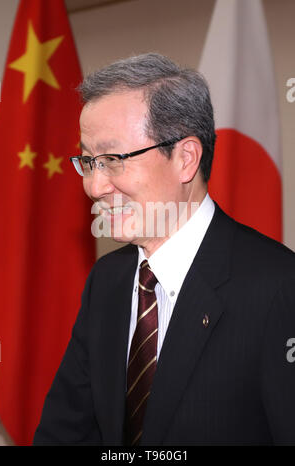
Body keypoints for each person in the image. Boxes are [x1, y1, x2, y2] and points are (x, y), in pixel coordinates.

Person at [34, 53, 295, 446]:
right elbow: (65, 433)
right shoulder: (108, 280)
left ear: (185, 158)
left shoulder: (277, 286)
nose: (94, 186)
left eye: (112, 159)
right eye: (88, 162)